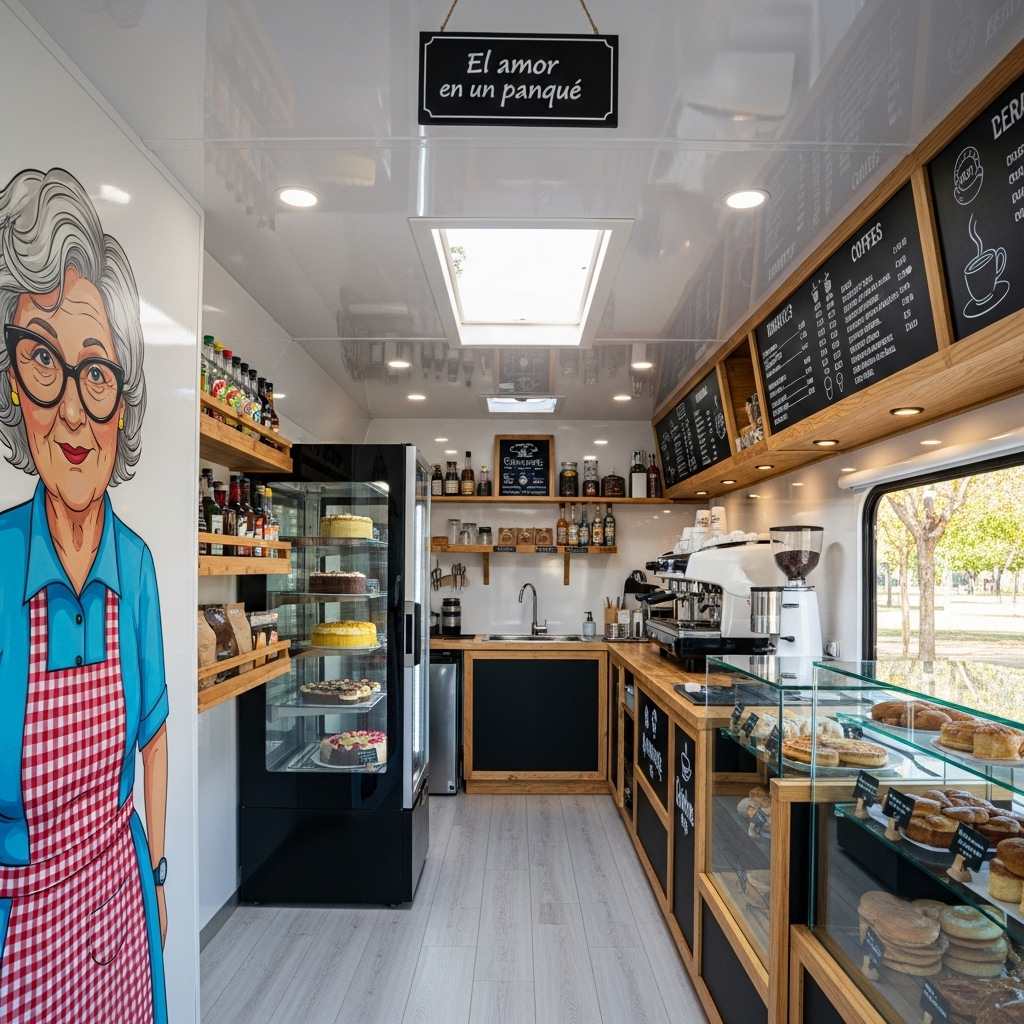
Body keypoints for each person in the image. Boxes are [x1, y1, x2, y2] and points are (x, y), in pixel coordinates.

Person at [0, 167, 168, 1022]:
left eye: (95, 373)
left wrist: (159, 875)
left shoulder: (135, 567)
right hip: (19, 927)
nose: (70, 411)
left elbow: (154, 733)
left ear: (121, 404)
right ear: (13, 383)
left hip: (120, 903)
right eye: (43, 361)